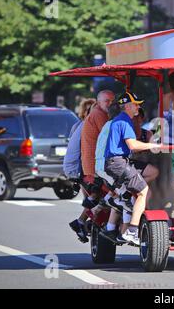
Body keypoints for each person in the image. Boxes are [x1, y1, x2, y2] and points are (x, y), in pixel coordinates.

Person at [104, 92, 162, 246]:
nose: (138, 107)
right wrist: (154, 145)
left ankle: (126, 199)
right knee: (143, 191)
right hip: (118, 162)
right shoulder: (125, 122)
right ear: (127, 106)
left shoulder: (121, 120)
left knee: (150, 174)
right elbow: (133, 146)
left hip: (118, 162)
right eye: (136, 104)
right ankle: (132, 230)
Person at [69, 90, 115, 241]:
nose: (110, 103)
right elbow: (109, 136)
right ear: (98, 101)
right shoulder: (99, 115)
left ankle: (82, 221)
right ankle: (91, 220)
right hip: (94, 166)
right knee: (115, 191)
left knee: (98, 194)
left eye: (111, 101)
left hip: (90, 165)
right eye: (107, 101)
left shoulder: (94, 114)